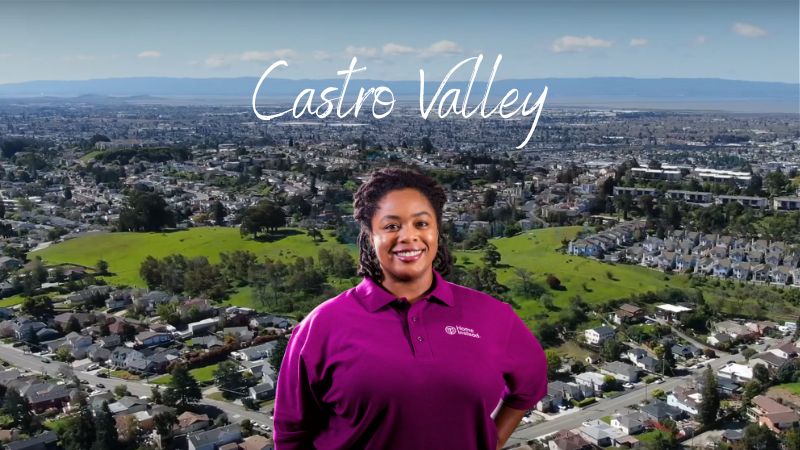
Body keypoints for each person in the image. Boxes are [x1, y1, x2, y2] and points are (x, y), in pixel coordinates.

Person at [273, 167, 547, 449]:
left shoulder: (491, 315)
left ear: (437, 231)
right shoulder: (320, 326)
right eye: (391, 226)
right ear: (369, 236)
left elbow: (530, 382)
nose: (408, 236)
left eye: (421, 224)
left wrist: (492, 439)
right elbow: (291, 434)